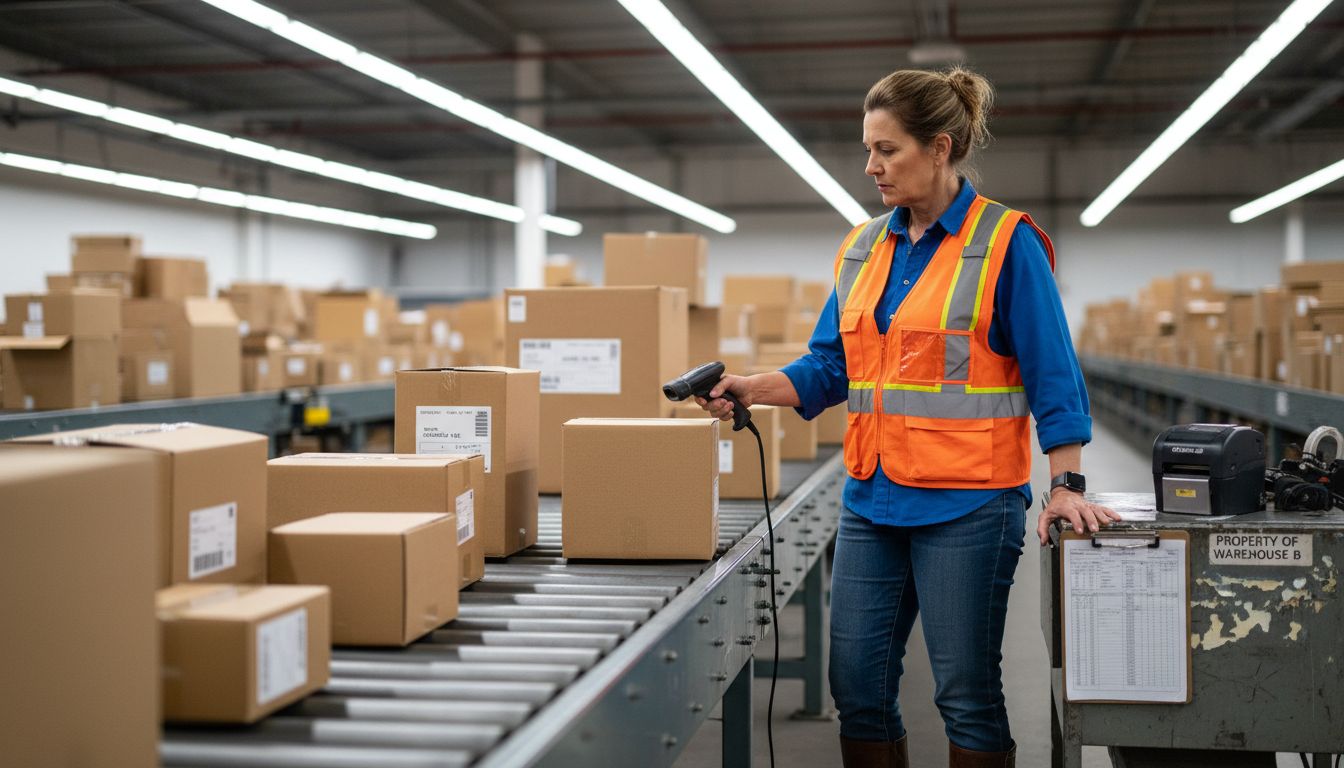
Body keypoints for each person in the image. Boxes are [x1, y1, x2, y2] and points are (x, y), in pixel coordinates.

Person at [696, 67, 1119, 768]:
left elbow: (1054, 376)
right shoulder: (862, 249)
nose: (871, 167)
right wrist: (751, 387)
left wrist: (1067, 483)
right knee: (856, 686)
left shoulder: (1005, 244)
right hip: (873, 499)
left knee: (966, 694)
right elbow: (831, 367)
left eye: (887, 150)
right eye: (868, 150)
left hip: (969, 505)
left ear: (941, 148)